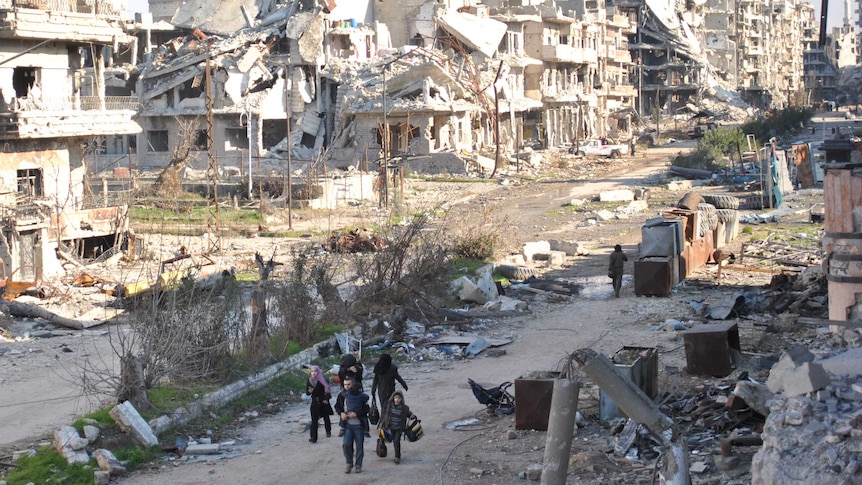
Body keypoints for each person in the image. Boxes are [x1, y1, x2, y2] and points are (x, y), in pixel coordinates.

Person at [336, 377, 369, 474]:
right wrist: (341, 413)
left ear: (353, 385)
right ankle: (349, 462)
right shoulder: (342, 395)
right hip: (348, 425)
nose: (346, 387)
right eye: (345, 385)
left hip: (359, 425)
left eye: (348, 384)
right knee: (346, 444)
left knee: (359, 446)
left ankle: (358, 465)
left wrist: (357, 414)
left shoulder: (359, 395)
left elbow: (366, 409)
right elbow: (337, 407)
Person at [379, 390, 414, 464]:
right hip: (391, 426)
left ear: (401, 399)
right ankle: (393, 454)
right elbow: (385, 415)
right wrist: (382, 423)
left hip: (399, 427)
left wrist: (412, 416)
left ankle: (397, 456)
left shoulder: (404, 408)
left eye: (399, 398)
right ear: (393, 398)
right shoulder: (389, 405)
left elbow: (408, 414)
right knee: (389, 439)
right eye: (396, 398)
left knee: (396, 441)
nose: (397, 400)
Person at [305, 365, 332, 443]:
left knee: (326, 417)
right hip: (314, 402)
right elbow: (307, 392)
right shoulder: (309, 380)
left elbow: (328, 391)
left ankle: (328, 431)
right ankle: (313, 437)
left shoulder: (323, 380)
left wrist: (326, 399)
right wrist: (309, 392)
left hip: (323, 401)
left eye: (315, 371)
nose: (313, 373)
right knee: (314, 420)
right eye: (312, 371)